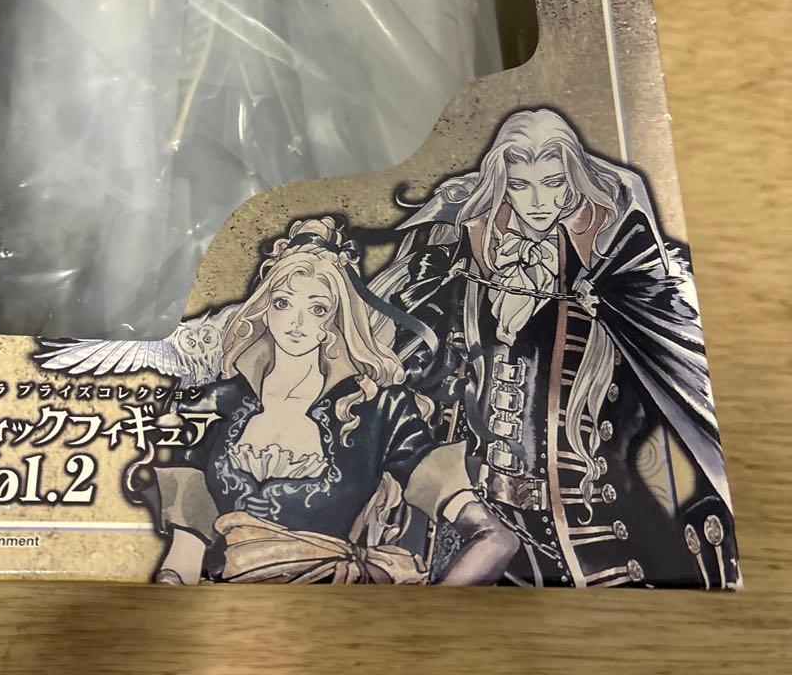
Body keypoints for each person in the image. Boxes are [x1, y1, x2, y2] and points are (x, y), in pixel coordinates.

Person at [383, 108, 738, 588]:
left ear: (574, 181)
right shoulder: (467, 271)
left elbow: (693, 379)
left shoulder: (623, 275)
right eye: (520, 185)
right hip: (486, 542)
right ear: (502, 186)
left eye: (553, 183)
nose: (538, 202)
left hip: (599, 546)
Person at [148, 216, 518, 584]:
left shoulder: (378, 410)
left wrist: (436, 614)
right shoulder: (213, 405)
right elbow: (184, 556)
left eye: (318, 308)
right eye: (283, 302)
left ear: (336, 320)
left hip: (334, 608)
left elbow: (496, 540)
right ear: (264, 310)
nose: (297, 322)